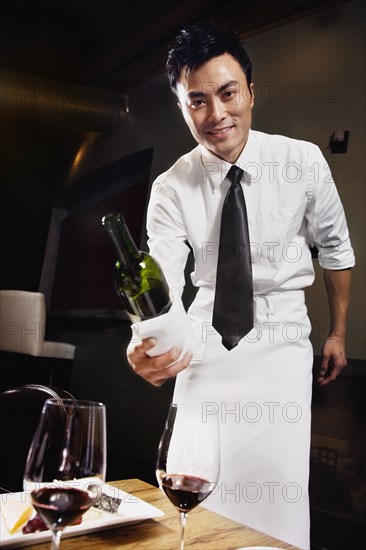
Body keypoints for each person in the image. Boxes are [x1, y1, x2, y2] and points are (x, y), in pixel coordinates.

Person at [127, 24, 355, 549]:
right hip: (205, 345)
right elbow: (160, 279)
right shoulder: (170, 186)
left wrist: (338, 333)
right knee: (194, 487)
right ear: (182, 106)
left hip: (281, 347)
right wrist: (148, 340)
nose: (216, 115)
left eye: (227, 93)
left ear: (251, 91)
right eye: (197, 101)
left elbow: (337, 252)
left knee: (278, 500)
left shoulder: (302, 162)